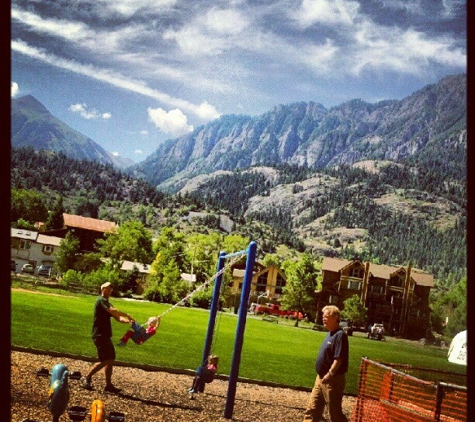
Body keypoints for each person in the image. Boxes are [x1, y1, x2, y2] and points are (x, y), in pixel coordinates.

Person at [81, 282, 134, 394]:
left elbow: (118, 318)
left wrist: (128, 321)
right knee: (105, 360)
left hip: (105, 335)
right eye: (108, 289)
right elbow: (113, 311)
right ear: (103, 289)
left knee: (110, 359)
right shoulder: (101, 301)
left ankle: (108, 385)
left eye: (111, 289)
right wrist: (127, 314)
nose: (110, 291)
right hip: (99, 335)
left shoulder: (107, 303)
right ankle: (86, 377)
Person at [303, 305, 349, 422]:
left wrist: (330, 374)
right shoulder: (330, 334)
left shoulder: (340, 335)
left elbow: (338, 359)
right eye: (323, 316)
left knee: (334, 414)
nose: (323, 319)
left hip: (332, 381)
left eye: (326, 316)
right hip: (320, 379)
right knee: (312, 410)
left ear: (335, 318)